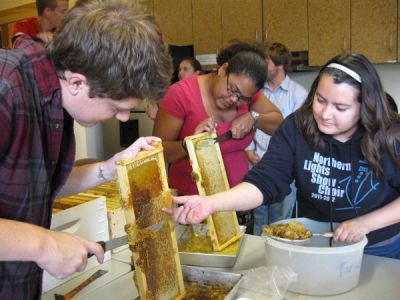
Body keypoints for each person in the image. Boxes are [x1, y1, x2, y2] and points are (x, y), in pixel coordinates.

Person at [0, 0, 172, 298]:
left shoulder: (55, 98)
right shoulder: (5, 87)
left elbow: (37, 185)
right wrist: (44, 244)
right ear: (78, 82)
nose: (122, 117)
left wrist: (110, 167)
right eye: (118, 107)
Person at [163, 53, 400, 259]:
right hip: (316, 242)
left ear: (365, 106)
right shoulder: (297, 128)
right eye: (320, 100)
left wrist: (365, 224)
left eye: (341, 108)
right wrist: (210, 203)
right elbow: (265, 181)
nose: (326, 114)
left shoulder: (391, 135)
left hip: (378, 247)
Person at [153, 41, 283, 231]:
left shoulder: (247, 93)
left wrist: (254, 117)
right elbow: (158, 152)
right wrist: (190, 144)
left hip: (237, 203)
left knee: (239, 258)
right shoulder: (180, 94)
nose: (234, 100)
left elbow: (279, 123)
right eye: (232, 90)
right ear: (223, 69)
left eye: (242, 99)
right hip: (191, 206)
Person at [246, 42, 307, 235]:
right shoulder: (256, 93)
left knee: (281, 223)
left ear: (279, 65)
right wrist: (248, 150)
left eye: (266, 61)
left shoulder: (299, 94)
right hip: (257, 164)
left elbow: (301, 134)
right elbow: (246, 121)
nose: (261, 65)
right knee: (259, 221)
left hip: (285, 168)